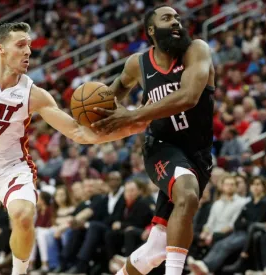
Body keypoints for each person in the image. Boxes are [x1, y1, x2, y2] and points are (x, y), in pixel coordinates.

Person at [0, 22, 147, 275]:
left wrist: (131, 126)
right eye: (21, 45)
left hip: (12, 168)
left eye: (29, 45)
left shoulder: (33, 94)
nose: (28, 51)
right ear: (1, 49)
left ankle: (21, 272)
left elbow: (77, 132)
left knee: (23, 213)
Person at [91, 5, 215, 275]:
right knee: (186, 190)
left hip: (199, 154)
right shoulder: (138, 63)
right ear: (151, 30)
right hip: (161, 147)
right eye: (167, 18)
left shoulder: (196, 50)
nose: (176, 23)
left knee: (156, 248)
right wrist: (94, 113)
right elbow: (116, 91)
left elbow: (188, 97)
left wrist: (133, 115)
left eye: (178, 18)